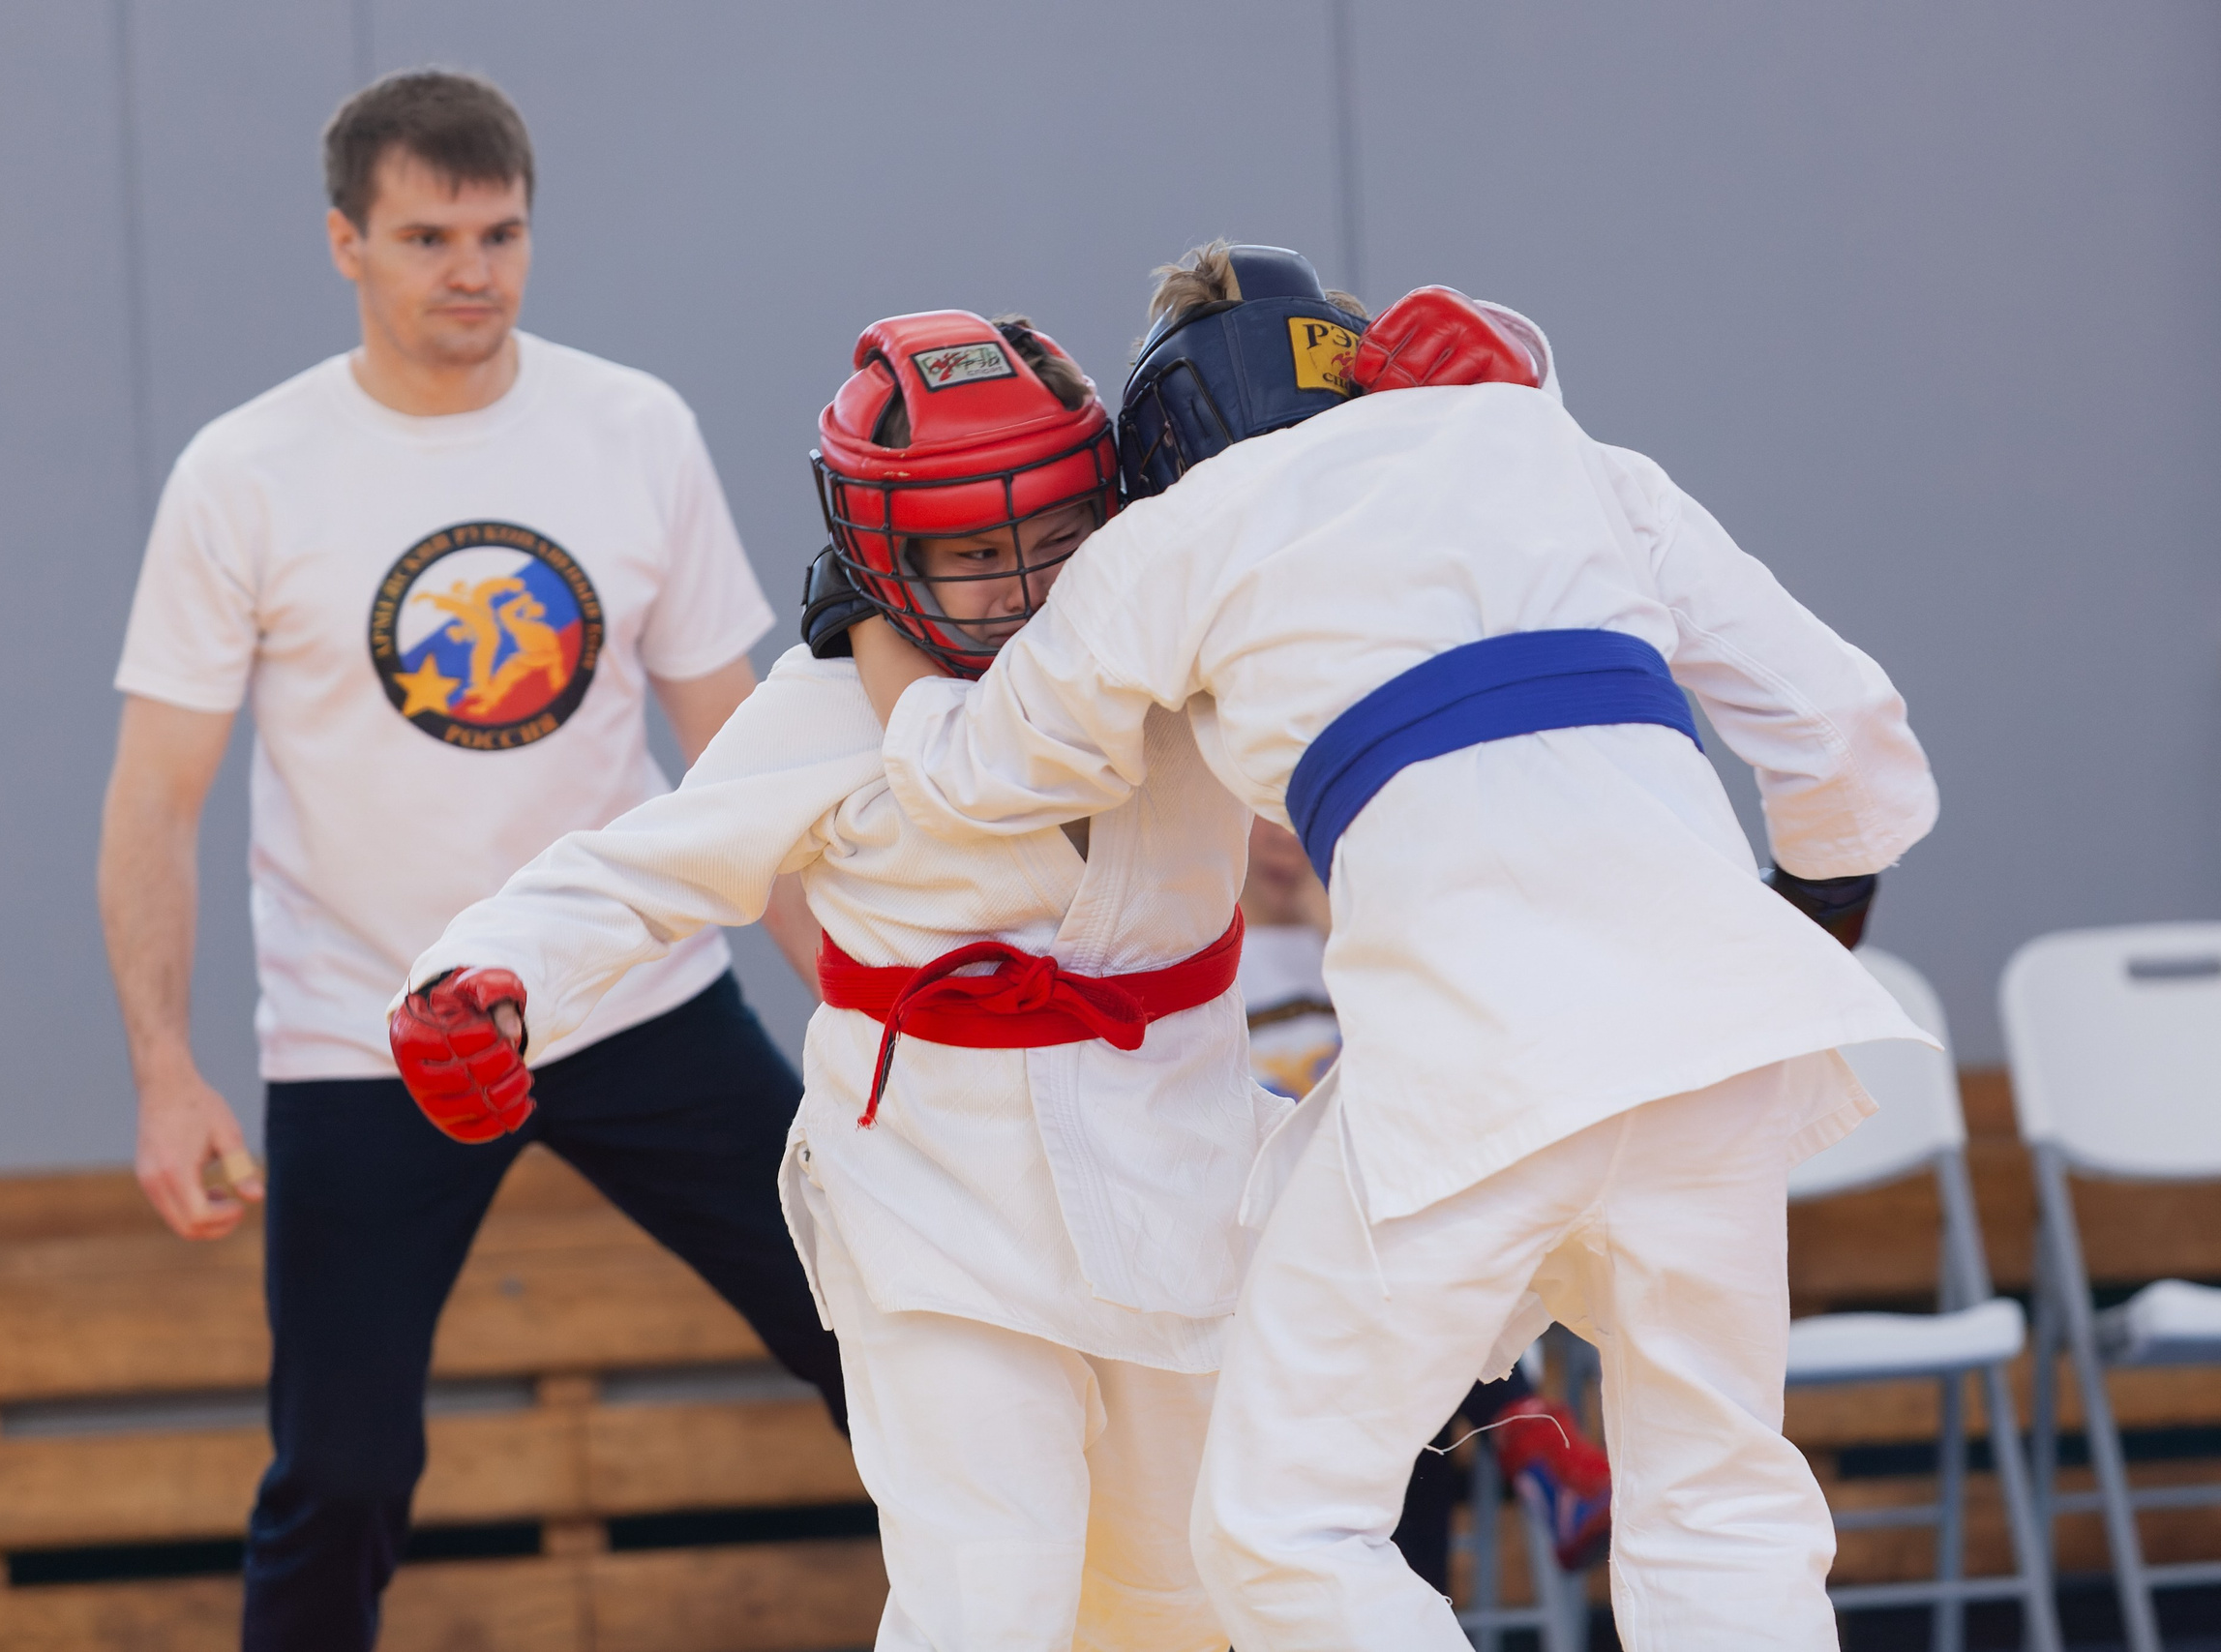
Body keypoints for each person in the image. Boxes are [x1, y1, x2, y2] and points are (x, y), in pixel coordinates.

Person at [854, 242, 1939, 1648]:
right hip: (1719, 1041)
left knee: (1281, 1529)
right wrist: (1802, 928)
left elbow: (979, 778)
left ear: (1172, 436)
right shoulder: (1567, 453)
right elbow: (1850, 740)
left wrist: (872, 631)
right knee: (1723, 1502)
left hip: (1470, 1064)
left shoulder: (1191, 528)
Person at [386, 309, 1276, 1651]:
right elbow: (635, 870)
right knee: (991, 1588)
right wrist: (484, 975)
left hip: (1187, 1179)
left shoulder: (1192, 669)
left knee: (1179, 1593)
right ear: (881, 555)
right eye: (972, 552)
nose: (1024, 583)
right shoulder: (823, 709)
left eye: (1055, 535)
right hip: (933, 1206)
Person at [96, 69, 842, 1652]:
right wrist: (166, 1068)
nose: (471, 271)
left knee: (879, 1338)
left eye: (500, 233)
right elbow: (156, 795)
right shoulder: (247, 473)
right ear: (344, 243)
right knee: (344, 1469)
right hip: (372, 1027)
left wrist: (868, 1006)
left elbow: (741, 762)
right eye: (427, 235)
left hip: (632, 996)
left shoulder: (631, 430)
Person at [1238, 817, 1612, 1587]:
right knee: (1405, 1305)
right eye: (1254, 813)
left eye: (1290, 815)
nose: (1278, 840)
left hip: (1383, 1239)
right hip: (1266, 1236)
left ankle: (1516, 1440)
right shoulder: (1211, 959)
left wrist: (1340, 936)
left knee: (1412, 1308)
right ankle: (1528, 1431)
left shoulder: (1358, 953)